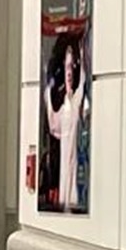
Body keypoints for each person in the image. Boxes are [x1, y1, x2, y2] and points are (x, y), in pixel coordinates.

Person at [43, 35, 88, 211]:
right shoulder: (65, 105)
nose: (68, 73)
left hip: (77, 171)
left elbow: (83, 78)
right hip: (64, 173)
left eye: (71, 67)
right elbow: (54, 126)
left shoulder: (77, 100)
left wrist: (82, 52)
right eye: (66, 67)